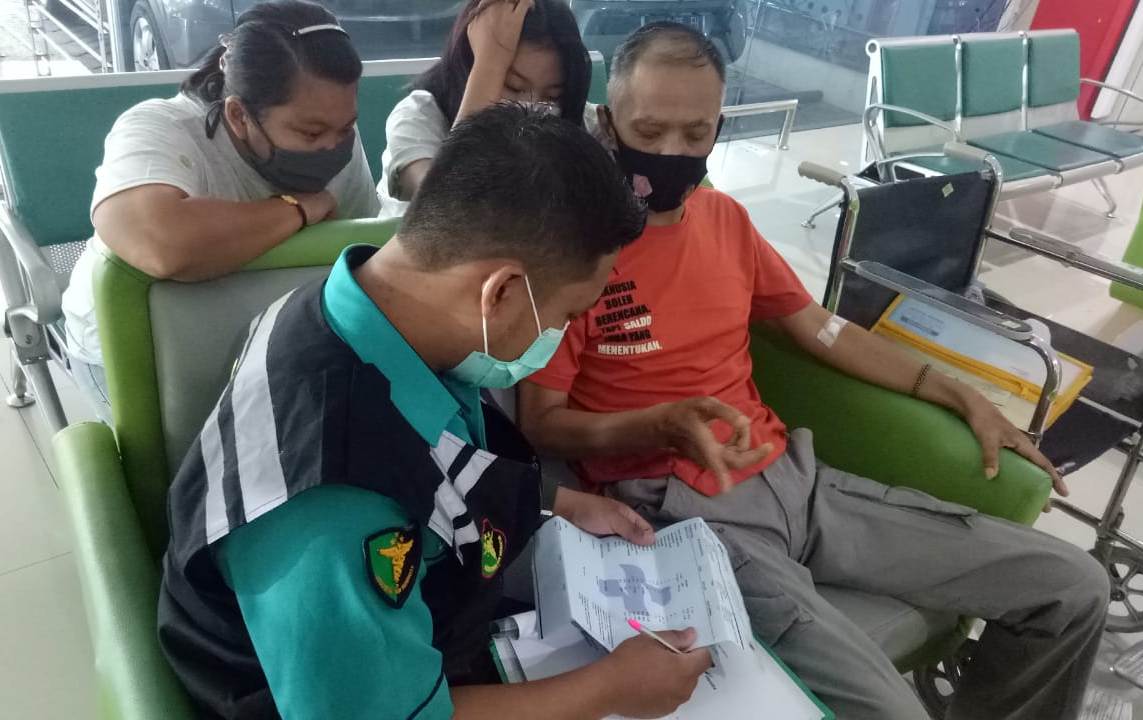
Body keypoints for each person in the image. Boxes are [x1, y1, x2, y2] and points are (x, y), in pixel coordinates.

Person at [517, 22, 1109, 720]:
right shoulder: (574, 252)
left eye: (696, 133)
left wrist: (955, 392)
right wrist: (657, 426)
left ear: (718, 127)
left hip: (794, 480)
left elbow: (822, 330)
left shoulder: (724, 221)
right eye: (649, 131)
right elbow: (542, 423)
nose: (673, 153)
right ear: (608, 122)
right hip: (685, 515)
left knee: (1072, 587)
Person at [157, 104, 712, 720]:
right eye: (568, 314)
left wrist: (555, 504)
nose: (560, 334)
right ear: (501, 292)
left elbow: (435, 467)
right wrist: (612, 688)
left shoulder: (352, 309)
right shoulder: (334, 502)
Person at [60, 0, 381, 423]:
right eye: (310, 132)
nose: (332, 146)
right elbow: (158, 241)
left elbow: (363, 256)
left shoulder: (336, 138)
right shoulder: (161, 128)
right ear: (239, 115)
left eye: (344, 127)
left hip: (268, 343)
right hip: (135, 355)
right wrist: (300, 208)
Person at [378, 0, 594, 218]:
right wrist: (491, 61)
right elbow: (448, 203)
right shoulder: (416, 119)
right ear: (469, 70)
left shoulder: (579, 118)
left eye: (552, 96)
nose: (533, 107)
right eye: (513, 86)